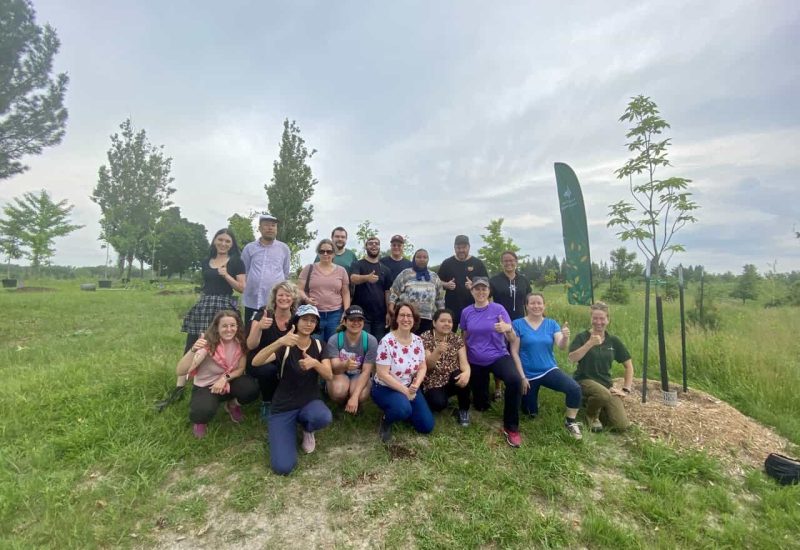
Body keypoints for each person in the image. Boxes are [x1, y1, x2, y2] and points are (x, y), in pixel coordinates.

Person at [157, 228, 246, 411]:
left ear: (232, 244)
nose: (223, 244)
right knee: (194, 343)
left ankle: (224, 382)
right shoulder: (206, 261)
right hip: (205, 304)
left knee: (225, 345)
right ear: (214, 241)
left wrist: (226, 275)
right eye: (220, 239)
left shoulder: (237, 261)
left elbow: (242, 288)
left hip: (224, 306)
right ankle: (180, 387)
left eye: (227, 241)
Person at [251, 304, 334, 475]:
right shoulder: (286, 344)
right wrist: (279, 341)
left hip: (309, 401)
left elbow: (329, 376)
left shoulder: (319, 345)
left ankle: (307, 429)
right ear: (296, 321)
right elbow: (256, 362)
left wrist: (315, 363)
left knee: (323, 416)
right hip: (284, 406)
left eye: (313, 321)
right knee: (283, 467)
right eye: (305, 319)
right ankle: (286, 429)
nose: (308, 324)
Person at [175, 310, 259, 438]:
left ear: (237, 327)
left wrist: (224, 379)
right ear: (217, 328)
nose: (229, 329)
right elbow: (180, 371)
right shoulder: (208, 345)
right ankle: (201, 421)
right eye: (224, 326)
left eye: (232, 325)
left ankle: (231, 405)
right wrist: (193, 350)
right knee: (201, 412)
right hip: (206, 386)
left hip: (228, 381)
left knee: (251, 389)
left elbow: (240, 369)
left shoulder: (240, 342)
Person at [460, 277, 523, 447]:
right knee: (481, 406)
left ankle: (511, 427)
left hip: (498, 356)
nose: (480, 292)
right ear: (471, 291)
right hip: (475, 360)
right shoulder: (466, 312)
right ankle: (482, 398)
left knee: (515, 380)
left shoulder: (499, 309)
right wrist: (464, 360)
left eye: (484, 289)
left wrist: (507, 329)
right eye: (477, 289)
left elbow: (512, 338)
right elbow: (464, 337)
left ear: (489, 291)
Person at [510, 293, 582, 440]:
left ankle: (570, 422)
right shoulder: (517, 324)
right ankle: (531, 401)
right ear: (526, 305)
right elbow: (514, 352)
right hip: (529, 375)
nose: (536, 306)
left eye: (539, 303)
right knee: (530, 413)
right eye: (532, 303)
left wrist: (566, 336)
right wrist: (522, 377)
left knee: (574, 388)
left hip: (549, 370)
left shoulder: (551, 323)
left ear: (544, 305)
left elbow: (561, 346)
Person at [371, 303, 434, 442]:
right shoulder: (386, 342)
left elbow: (422, 366)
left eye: (409, 315)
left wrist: (416, 385)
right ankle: (386, 420)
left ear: (414, 319)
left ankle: (404, 409)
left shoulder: (418, 340)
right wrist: (406, 392)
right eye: (402, 315)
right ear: (396, 319)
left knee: (426, 426)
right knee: (402, 409)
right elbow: (382, 374)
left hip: (410, 386)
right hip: (385, 387)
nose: (406, 319)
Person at [568, 302, 634, 432]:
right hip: (584, 380)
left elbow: (629, 366)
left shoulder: (613, 340)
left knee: (621, 426)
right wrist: (589, 344)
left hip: (606, 384)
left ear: (608, 320)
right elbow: (572, 358)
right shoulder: (582, 337)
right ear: (591, 319)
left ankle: (594, 404)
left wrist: (625, 390)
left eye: (602, 318)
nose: (599, 322)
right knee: (602, 394)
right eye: (595, 318)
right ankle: (591, 416)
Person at [245, 280, 299, 421]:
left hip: (283, 358)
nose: (284, 298)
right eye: (280, 295)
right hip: (259, 360)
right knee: (267, 370)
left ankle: (288, 399)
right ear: (275, 297)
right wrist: (259, 327)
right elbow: (250, 345)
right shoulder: (264, 314)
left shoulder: (297, 319)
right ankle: (267, 401)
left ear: (293, 298)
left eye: (288, 295)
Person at [420, 309, 471, 426]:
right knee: (438, 405)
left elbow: (464, 363)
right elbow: (428, 367)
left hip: (451, 376)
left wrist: (467, 373)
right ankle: (438, 399)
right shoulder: (425, 337)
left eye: (450, 321)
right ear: (434, 323)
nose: (447, 324)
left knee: (462, 376)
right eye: (442, 321)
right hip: (433, 380)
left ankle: (463, 410)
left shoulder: (456, 338)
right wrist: (437, 352)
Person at [241, 213, 291, 332]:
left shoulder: (283, 249)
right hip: (252, 301)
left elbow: (285, 273)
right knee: (250, 335)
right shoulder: (249, 248)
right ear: (259, 228)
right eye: (266, 225)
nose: (270, 228)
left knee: (272, 335)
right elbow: (245, 271)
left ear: (276, 229)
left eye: (273, 225)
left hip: (274, 303)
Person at [324, 306, 378, 414]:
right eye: (352, 320)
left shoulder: (371, 341)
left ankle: (355, 401)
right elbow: (334, 368)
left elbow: (367, 371)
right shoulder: (335, 339)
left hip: (359, 374)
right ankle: (341, 402)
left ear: (363, 322)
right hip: (340, 373)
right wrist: (345, 365)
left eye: (359, 320)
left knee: (360, 395)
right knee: (338, 391)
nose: (356, 323)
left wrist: (355, 396)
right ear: (344, 321)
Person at [299, 238, 351, 342]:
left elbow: (345, 292)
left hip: (335, 315)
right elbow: (298, 289)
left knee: (333, 345)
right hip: (314, 314)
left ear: (334, 254)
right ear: (318, 253)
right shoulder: (309, 268)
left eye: (329, 251)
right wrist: (306, 299)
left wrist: (346, 311)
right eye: (322, 251)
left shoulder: (341, 271)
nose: (325, 254)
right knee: (315, 345)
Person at [437, 235, 487, 332]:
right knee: (448, 335)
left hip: (472, 307)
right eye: (458, 248)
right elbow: (437, 282)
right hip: (451, 307)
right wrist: (446, 284)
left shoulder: (478, 263)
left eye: (464, 248)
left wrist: (473, 286)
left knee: (471, 335)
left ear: (469, 247)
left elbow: (486, 284)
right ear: (454, 248)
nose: (461, 250)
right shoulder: (447, 263)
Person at [388, 249, 444, 334]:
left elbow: (440, 299)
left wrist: (441, 315)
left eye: (425, 257)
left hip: (428, 319)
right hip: (408, 318)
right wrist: (390, 308)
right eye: (419, 257)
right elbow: (394, 291)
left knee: (425, 344)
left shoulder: (434, 277)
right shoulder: (405, 274)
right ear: (414, 259)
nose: (422, 259)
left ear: (428, 259)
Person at [350, 236, 393, 340]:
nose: (374, 245)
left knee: (378, 345)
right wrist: (366, 278)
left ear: (379, 247)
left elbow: (387, 292)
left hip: (380, 316)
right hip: (361, 315)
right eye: (370, 243)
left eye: (376, 243)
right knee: (363, 344)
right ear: (366, 246)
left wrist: (388, 312)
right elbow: (353, 278)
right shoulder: (357, 264)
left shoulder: (385, 269)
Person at [490, 251, 532, 321]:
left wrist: (530, 319)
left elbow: (528, 301)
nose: (508, 263)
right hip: (500, 320)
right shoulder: (494, 280)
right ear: (501, 263)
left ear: (516, 262)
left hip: (520, 321)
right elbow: (486, 299)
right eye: (505, 261)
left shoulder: (523, 280)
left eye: (511, 260)